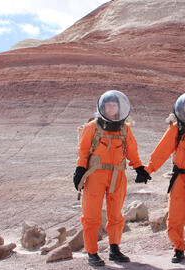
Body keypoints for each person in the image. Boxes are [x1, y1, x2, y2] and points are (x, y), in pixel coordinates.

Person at [136, 92, 185, 263]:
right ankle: (178, 248)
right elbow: (162, 150)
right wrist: (148, 170)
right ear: (182, 108)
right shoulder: (176, 128)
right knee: (175, 215)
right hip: (179, 177)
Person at [73, 90, 151, 266]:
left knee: (116, 215)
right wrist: (79, 170)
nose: (111, 107)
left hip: (117, 175)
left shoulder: (124, 128)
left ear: (119, 107)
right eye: (108, 104)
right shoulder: (92, 127)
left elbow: (132, 150)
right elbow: (83, 151)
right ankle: (92, 253)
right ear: (102, 106)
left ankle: (114, 249)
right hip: (95, 175)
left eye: (114, 105)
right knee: (91, 215)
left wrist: (139, 168)